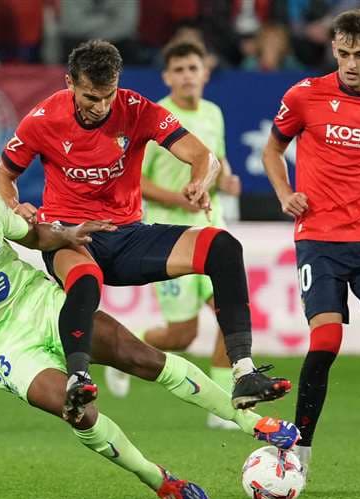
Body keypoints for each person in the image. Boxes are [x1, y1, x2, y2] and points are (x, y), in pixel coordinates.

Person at [0, 139, 301, 499]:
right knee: (80, 411)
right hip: (5, 348)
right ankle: (157, 478)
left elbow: (35, 237)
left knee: (142, 358)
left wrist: (67, 235)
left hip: (45, 305)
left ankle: (252, 424)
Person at [0, 39, 291, 422]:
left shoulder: (137, 109)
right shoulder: (43, 118)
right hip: (73, 235)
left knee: (223, 246)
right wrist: (13, 207)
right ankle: (77, 379)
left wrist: (200, 180)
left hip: (128, 235)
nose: (100, 107)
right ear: (69, 83)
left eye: (107, 96)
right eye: (90, 97)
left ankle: (244, 372)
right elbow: (2, 174)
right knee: (85, 279)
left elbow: (203, 155)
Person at [261, 9, 360, 494]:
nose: (351, 63)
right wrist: (285, 194)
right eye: (343, 53)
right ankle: (300, 453)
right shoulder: (304, 96)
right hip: (320, 241)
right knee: (325, 343)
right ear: (334, 50)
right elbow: (272, 150)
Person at [103, 41, 243, 431]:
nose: (186, 75)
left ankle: (224, 403)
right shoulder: (155, 116)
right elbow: (137, 179)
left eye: (192, 67)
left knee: (228, 311)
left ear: (205, 73)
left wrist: (225, 178)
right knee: (182, 335)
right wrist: (179, 201)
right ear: (167, 77)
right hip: (166, 233)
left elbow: (216, 157)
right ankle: (126, 350)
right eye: (178, 69)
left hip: (211, 225)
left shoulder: (214, 113)